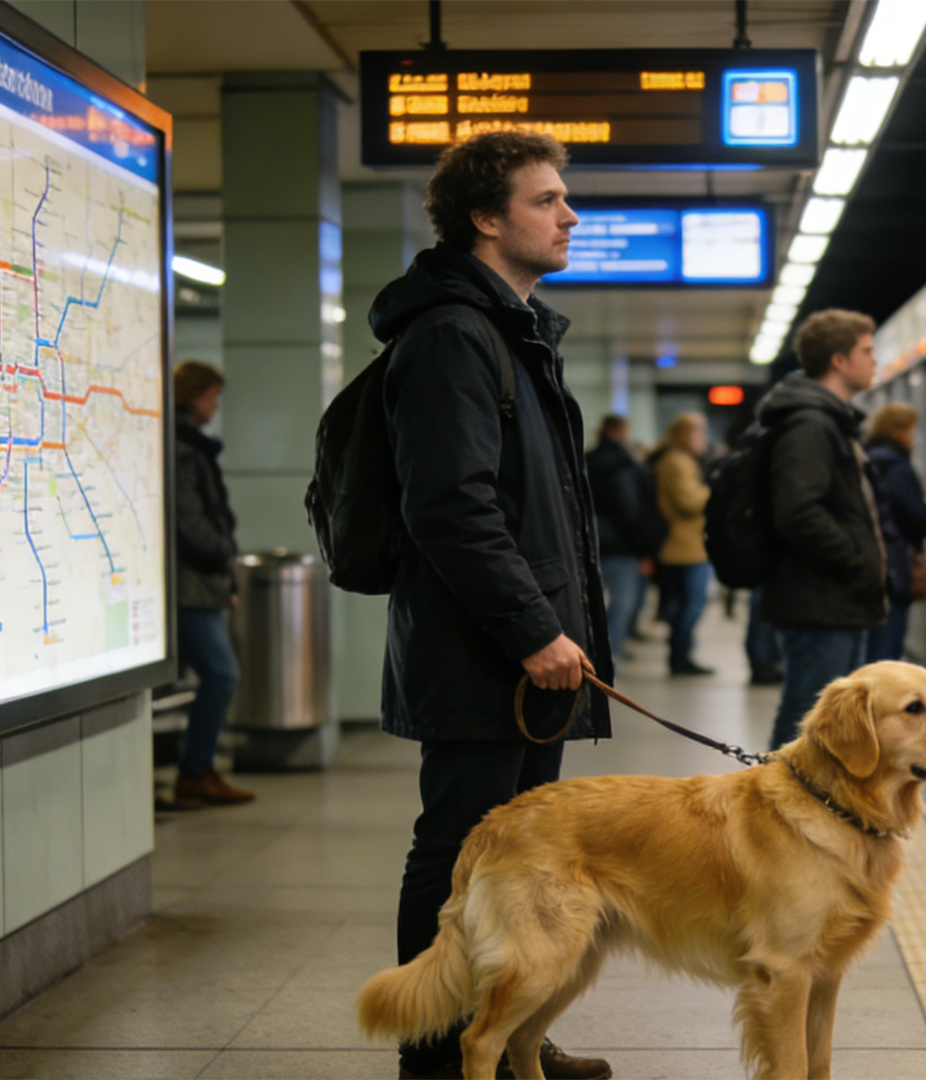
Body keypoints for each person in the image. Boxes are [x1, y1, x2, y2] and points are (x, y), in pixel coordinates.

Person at [370, 130, 613, 1080]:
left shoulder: (511, 331)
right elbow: (452, 506)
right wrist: (533, 630)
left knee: (523, 865)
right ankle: (432, 1062)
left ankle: (511, 1037)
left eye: (564, 198)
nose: (570, 215)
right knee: (459, 856)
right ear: (485, 218)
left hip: (524, 650)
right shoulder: (452, 336)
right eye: (548, 199)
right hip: (487, 652)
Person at [758, 309, 889, 750]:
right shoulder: (810, 424)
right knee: (809, 723)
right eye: (867, 351)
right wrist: (853, 559)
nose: (875, 360)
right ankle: (777, 811)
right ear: (839, 360)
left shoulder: (829, 420)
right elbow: (798, 511)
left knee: (819, 721)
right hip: (820, 600)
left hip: (834, 598)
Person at [168, 361, 256, 807]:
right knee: (222, 676)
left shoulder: (190, 444)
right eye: (212, 396)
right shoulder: (184, 448)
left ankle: (198, 769)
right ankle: (195, 771)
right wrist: (221, 554)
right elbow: (192, 521)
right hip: (190, 585)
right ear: (194, 394)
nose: (216, 405)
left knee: (216, 676)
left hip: (200, 582)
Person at [863, 403, 926, 663]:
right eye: (912, 430)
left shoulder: (867, 459)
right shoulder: (897, 467)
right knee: (886, 653)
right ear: (900, 432)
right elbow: (917, 520)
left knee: (870, 649)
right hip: (894, 571)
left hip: (869, 569)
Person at [586, 414, 659, 660]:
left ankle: (589, 650)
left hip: (590, 541)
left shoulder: (588, 460)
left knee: (589, 603)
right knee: (622, 602)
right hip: (620, 546)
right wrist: (644, 547)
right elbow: (629, 509)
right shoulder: (622, 464)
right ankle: (610, 653)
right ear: (620, 431)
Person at [654, 412, 715, 676]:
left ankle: (682, 653)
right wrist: (714, 491)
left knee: (687, 603)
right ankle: (680, 656)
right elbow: (688, 502)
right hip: (685, 546)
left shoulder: (677, 460)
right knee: (691, 604)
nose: (704, 438)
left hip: (684, 544)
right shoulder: (678, 462)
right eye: (699, 433)